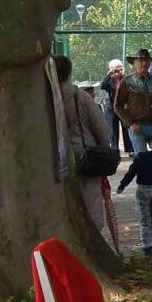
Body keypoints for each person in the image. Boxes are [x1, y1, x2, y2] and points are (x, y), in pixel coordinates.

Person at [55, 55, 111, 239]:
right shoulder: (81, 97)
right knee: (91, 202)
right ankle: (93, 240)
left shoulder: (42, 100)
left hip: (56, 160)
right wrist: (103, 151)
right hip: (86, 158)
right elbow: (102, 129)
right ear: (69, 73)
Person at [119, 135, 152, 258]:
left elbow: (131, 173)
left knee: (144, 221)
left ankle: (147, 248)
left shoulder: (140, 157)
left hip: (142, 190)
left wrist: (122, 185)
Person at [115, 47, 152, 155]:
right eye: (140, 61)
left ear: (150, 62)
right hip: (137, 126)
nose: (144, 63)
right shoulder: (127, 82)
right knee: (141, 158)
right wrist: (130, 123)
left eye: (146, 60)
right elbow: (118, 105)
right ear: (134, 63)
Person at [101, 58, 132, 154]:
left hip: (124, 108)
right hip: (111, 108)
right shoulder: (109, 80)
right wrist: (109, 74)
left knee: (126, 128)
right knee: (112, 130)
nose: (117, 72)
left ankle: (130, 149)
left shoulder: (126, 78)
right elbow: (103, 86)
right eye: (115, 69)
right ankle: (115, 150)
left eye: (119, 69)